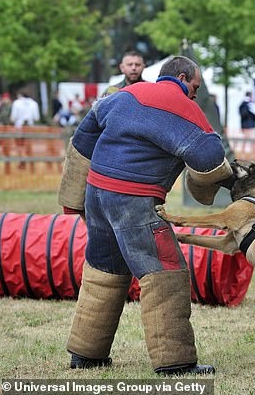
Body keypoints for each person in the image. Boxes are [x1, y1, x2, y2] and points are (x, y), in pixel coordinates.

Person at [58, 56, 233, 375]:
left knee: (104, 270)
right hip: (134, 200)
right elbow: (209, 156)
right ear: (182, 78)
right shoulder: (186, 109)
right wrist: (208, 189)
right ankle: (175, 362)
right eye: (195, 86)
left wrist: (73, 200)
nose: (196, 93)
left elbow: (82, 140)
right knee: (165, 272)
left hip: (97, 194)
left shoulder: (125, 95)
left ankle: (86, 353)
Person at [10, 91, 41, 170]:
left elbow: (13, 118)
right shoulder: (34, 103)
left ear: (20, 95)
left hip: (19, 127)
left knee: (19, 146)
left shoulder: (16, 103)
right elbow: (37, 118)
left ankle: (22, 162)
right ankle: (31, 165)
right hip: (29, 127)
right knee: (29, 146)